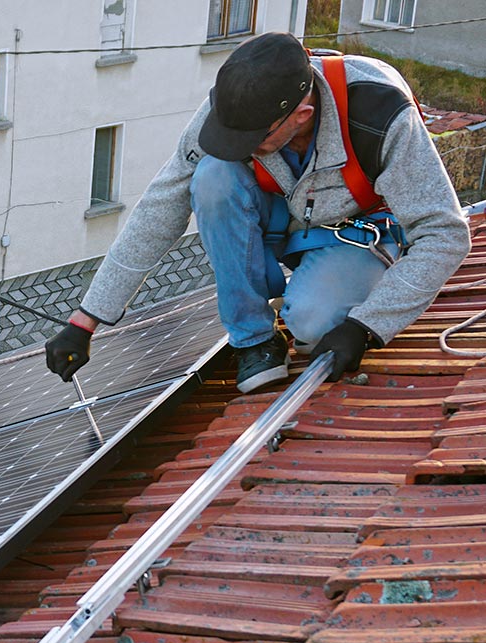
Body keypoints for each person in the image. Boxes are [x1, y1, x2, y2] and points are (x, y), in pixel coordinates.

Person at [44, 31, 469, 393]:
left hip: (357, 233)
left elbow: (445, 233)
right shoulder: (233, 111)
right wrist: (86, 318)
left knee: (313, 324)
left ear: (301, 116)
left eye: (253, 139)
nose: (239, 146)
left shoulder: (379, 113)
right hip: (280, 221)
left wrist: (367, 326)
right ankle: (255, 341)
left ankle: (316, 304)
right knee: (212, 177)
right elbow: (160, 206)